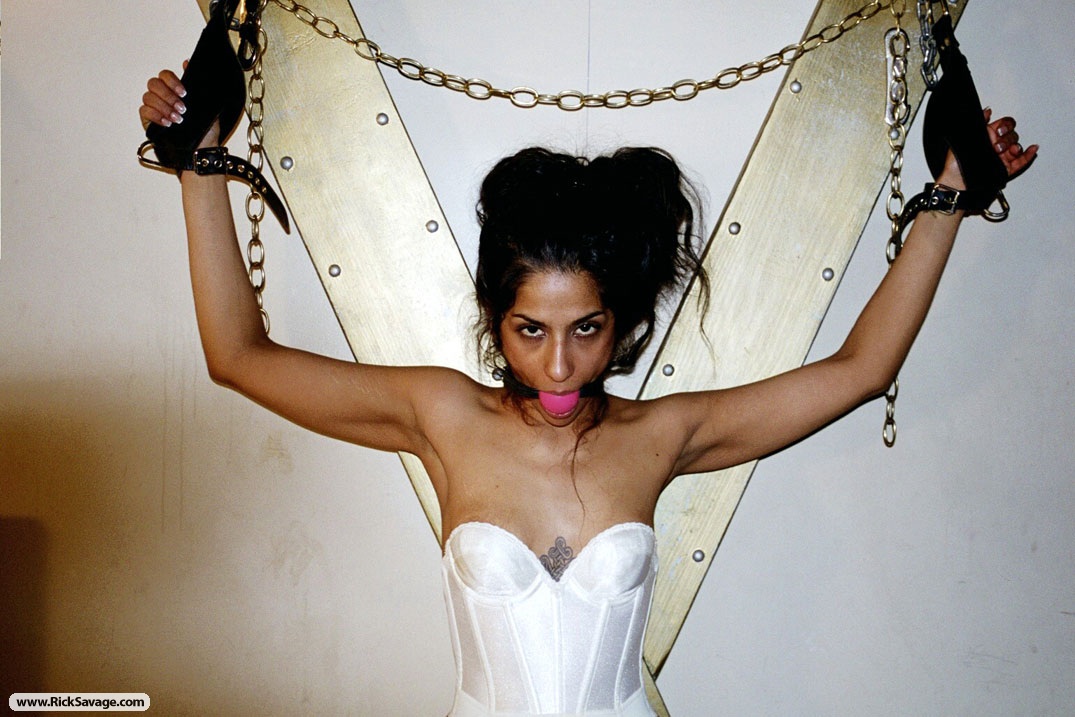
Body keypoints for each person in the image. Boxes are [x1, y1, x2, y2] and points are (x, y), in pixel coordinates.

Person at [140, 61, 1035, 715]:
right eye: (530, 330)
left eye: (587, 330)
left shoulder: (661, 434)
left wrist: (950, 195)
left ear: (623, 322)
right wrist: (197, 164)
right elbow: (238, 355)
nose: (559, 366)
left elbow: (859, 370)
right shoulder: (441, 413)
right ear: (495, 318)